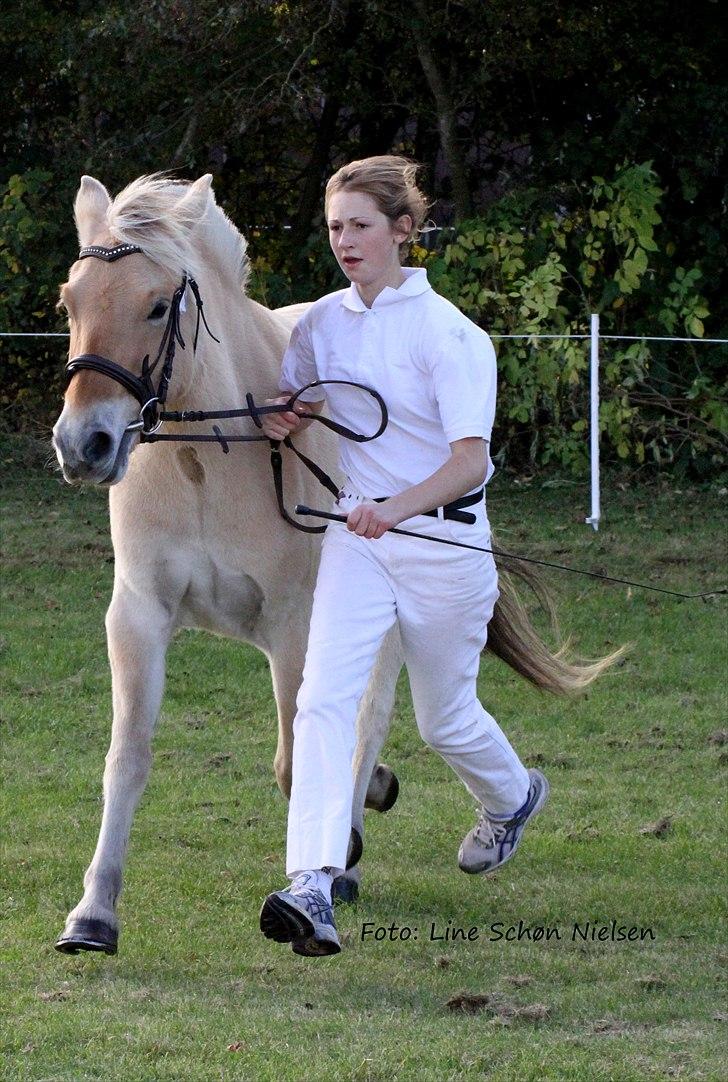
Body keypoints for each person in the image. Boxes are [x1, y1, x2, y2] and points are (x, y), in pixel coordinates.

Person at [258, 155, 548, 957]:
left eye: (359, 226)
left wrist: (393, 508)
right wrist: (289, 415)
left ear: (403, 231)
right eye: (333, 228)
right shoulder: (319, 324)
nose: (344, 242)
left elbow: (470, 462)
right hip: (357, 547)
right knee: (322, 699)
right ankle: (312, 882)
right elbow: (303, 398)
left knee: (442, 718)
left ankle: (514, 797)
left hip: (447, 548)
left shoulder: (452, 336)